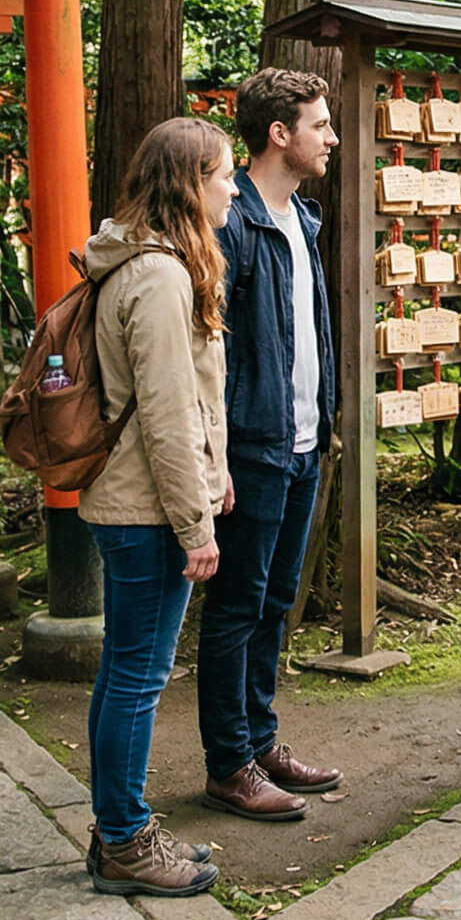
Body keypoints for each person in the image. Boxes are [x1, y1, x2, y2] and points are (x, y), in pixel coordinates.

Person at [81, 117, 236, 898]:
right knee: (139, 678)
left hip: (138, 501)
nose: (233, 189)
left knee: (126, 674)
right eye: (224, 177)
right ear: (190, 183)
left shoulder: (146, 265)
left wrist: (220, 473)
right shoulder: (162, 277)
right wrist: (196, 525)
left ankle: (120, 827)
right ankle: (123, 840)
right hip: (146, 510)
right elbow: (168, 417)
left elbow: (188, 407)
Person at [198, 69, 345, 823]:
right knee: (237, 606)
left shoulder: (302, 221)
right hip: (252, 444)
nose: (332, 138)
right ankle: (229, 763)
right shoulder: (234, 223)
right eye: (320, 125)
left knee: (277, 600)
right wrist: (215, 454)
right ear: (280, 134)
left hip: (301, 440)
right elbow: (211, 348)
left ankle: (259, 740)